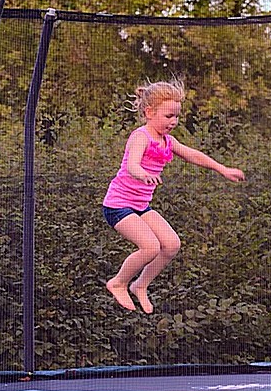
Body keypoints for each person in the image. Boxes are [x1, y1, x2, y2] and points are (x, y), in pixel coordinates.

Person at [102, 79, 245, 314]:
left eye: (176, 116)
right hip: (118, 205)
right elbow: (132, 165)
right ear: (150, 113)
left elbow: (193, 155)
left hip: (140, 206)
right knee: (150, 246)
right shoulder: (141, 137)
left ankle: (140, 285)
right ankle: (118, 283)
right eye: (168, 116)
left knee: (171, 245)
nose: (174, 121)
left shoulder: (168, 141)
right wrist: (143, 174)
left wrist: (222, 169)